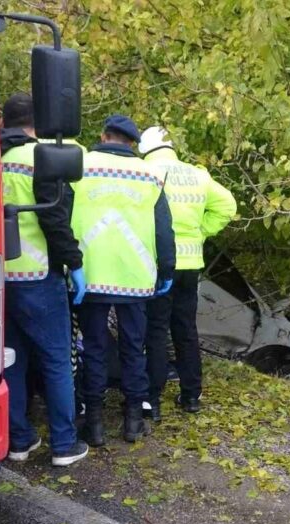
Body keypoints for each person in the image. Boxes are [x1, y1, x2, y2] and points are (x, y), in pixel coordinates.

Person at [71, 115, 175, 445]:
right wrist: (167, 271)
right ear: (132, 143)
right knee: (133, 349)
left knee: (95, 348)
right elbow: (163, 230)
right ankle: (132, 420)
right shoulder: (150, 175)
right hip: (135, 279)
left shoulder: (80, 166)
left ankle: (96, 424)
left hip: (90, 275)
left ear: (103, 136)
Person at [1, 92, 88, 466]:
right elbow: (54, 218)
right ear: (38, 124)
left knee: (12, 361)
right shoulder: (40, 159)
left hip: (1, 282)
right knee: (55, 360)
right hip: (38, 277)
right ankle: (65, 445)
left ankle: (19, 440)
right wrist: (75, 263)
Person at [138, 127, 236, 419]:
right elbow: (227, 206)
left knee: (155, 331)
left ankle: (152, 399)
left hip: (158, 263)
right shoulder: (197, 175)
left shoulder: (145, 171)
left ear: (146, 147)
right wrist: (200, 232)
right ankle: (191, 395)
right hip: (191, 265)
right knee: (186, 330)